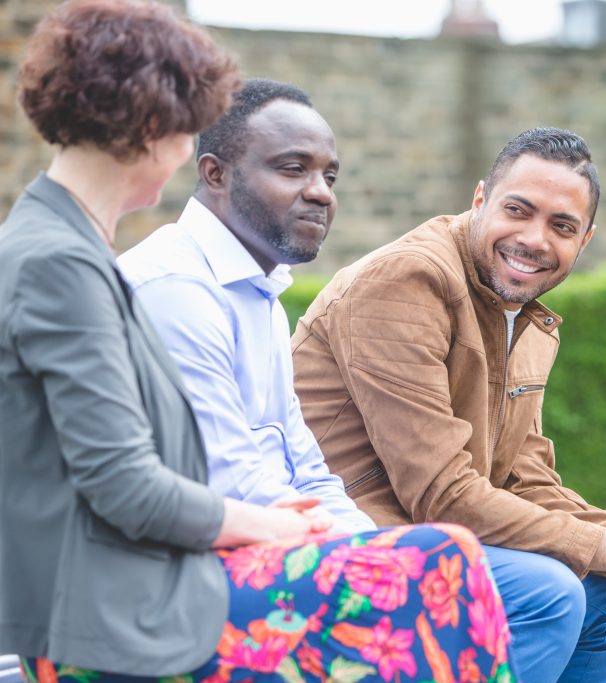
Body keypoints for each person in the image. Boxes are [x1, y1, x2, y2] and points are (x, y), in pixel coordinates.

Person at [0, 3, 514, 683]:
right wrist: (273, 526)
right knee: (439, 562)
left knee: (426, 565)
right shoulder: (61, 262)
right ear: (154, 128)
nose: (187, 152)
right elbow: (124, 485)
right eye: (188, 129)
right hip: (103, 612)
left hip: (125, 585)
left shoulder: (58, 244)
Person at [291, 127, 606, 682]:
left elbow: (525, 482)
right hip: (338, 541)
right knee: (547, 592)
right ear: (479, 200)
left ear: (586, 240)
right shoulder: (406, 282)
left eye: (562, 226)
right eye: (518, 210)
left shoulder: (521, 316)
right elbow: (444, 497)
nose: (534, 239)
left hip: (431, 537)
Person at [118, 79, 375, 533]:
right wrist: (365, 555)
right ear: (216, 174)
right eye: (294, 169)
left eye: (329, 176)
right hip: (202, 564)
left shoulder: (261, 292)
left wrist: (368, 543)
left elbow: (307, 468)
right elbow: (230, 484)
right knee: (452, 564)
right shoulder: (176, 290)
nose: (322, 193)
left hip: (285, 541)